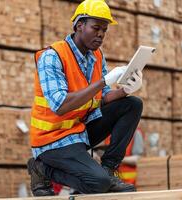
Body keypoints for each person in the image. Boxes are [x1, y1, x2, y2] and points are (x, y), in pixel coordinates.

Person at [27, 0, 143, 196]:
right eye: (95, 28)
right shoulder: (52, 56)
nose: (100, 35)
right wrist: (103, 82)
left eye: (104, 30)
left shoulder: (97, 57)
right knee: (98, 184)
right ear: (79, 25)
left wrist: (124, 91)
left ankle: (108, 168)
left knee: (132, 104)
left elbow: (103, 98)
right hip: (52, 140)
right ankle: (42, 169)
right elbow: (60, 105)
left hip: (79, 129)